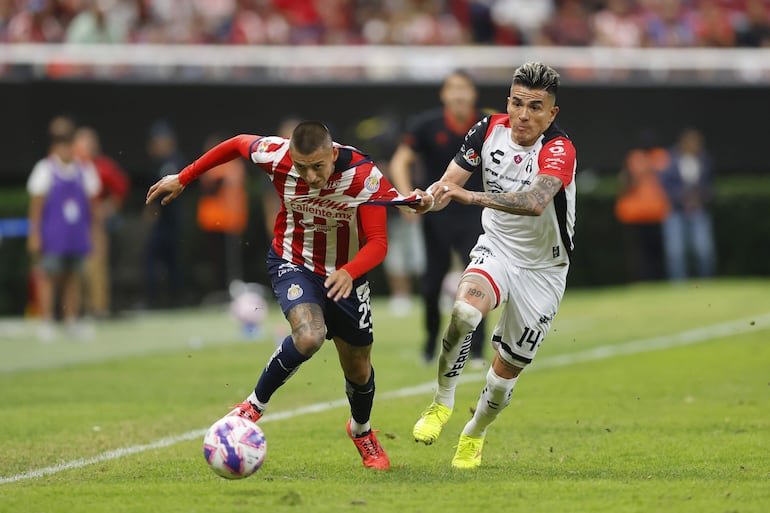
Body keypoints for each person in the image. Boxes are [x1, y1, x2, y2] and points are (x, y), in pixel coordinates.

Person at [146, 121, 427, 470]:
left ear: (333, 153)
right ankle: (253, 405)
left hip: (346, 274)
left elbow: (378, 243)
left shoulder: (364, 176)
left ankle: (361, 430)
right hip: (294, 262)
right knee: (309, 335)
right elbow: (235, 143)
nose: (309, 176)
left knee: (358, 367)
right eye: (302, 167)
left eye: (318, 167)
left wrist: (350, 272)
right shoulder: (276, 155)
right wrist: (184, 176)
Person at [410, 62, 577, 469]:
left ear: (551, 113)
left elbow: (536, 203)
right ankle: (441, 403)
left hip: (544, 270)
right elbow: (450, 182)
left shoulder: (559, 149)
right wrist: (430, 198)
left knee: (503, 379)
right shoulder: (486, 129)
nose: (524, 115)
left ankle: (475, 433)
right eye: (518, 103)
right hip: (497, 249)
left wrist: (470, 198)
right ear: (508, 102)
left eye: (536, 107)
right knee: (466, 311)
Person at [389, 69, 487, 365]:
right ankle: (431, 343)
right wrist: (407, 199)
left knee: (478, 281)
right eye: (452, 88)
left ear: (473, 93)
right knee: (431, 284)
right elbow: (400, 160)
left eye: (464, 88)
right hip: (438, 215)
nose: (458, 94)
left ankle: (477, 350)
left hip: (476, 213)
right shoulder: (426, 125)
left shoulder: (489, 123)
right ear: (443, 94)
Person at [27, 115, 101, 341]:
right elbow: (37, 207)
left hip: (76, 235)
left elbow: (92, 207)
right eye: (61, 145)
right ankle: (47, 320)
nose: (66, 149)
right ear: (54, 147)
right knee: (50, 277)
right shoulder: (45, 170)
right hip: (54, 235)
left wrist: (93, 233)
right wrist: (35, 234)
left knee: (73, 277)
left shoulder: (84, 170)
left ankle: (71, 321)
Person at [73, 126, 130, 318]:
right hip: (72, 225)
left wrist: (108, 208)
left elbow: (120, 187)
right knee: (74, 268)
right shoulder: (71, 167)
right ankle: (77, 309)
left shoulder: (102, 166)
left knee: (96, 267)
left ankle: (98, 309)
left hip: (93, 225)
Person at [659, 128, 716, 281]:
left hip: (698, 210)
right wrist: (682, 198)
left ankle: (706, 281)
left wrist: (700, 198)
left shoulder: (704, 159)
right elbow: (664, 184)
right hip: (675, 210)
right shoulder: (670, 159)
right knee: (675, 251)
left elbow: (709, 185)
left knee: (704, 249)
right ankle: (679, 284)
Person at [614, 129, 670, 282]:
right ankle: (640, 280)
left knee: (657, 251)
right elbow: (624, 183)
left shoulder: (661, 156)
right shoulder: (634, 158)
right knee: (638, 252)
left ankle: (658, 279)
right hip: (635, 214)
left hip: (657, 213)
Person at [196, 132, 248, 294]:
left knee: (229, 260)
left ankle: (228, 289)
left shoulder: (228, 166)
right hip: (215, 221)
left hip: (227, 220)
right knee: (218, 260)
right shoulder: (230, 166)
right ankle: (222, 290)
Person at [142, 120, 185, 309]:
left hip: (174, 220)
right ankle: (154, 300)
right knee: (152, 259)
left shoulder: (175, 161)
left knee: (174, 262)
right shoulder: (157, 163)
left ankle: (175, 300)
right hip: (162, 221)